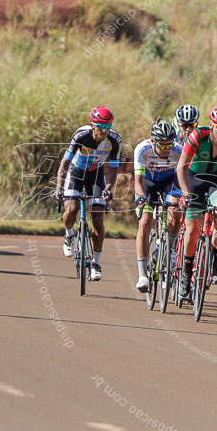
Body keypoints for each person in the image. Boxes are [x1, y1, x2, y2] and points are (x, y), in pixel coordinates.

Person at [175, 105, 217, 299]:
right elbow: (181, 167)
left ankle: (216, 263)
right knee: (192, 230)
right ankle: (186, 271)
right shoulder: (198, 136)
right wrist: (186, 193)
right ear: (212, 124)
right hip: (194, 179)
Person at [54, 107, 123, 282]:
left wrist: (108, 188)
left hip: (96, 176)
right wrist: (59, 187)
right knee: (71, 209)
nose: (104, 131)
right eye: (100, 126)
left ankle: (96, 263)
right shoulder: (81, 135)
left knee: (98, 219)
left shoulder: (114, 140)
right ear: (92, 124)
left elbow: (113, 169)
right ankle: (69, 234)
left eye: (108, 126)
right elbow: (65, 163)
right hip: (76, 173)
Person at [133, 119, 183, 292]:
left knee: (176, 211)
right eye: (162, 146)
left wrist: (185, 196)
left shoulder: (178, 151)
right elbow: (138, 182)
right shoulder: (142, 149)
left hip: (169, 181)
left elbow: (182, 178)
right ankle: (142, 275)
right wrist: (140, 198)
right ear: (153, 141)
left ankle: (169, 250)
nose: (166, 150)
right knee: (145, 221)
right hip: (147, 183)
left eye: (169, 145)